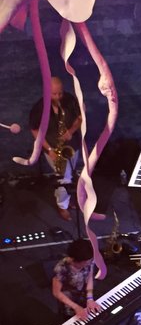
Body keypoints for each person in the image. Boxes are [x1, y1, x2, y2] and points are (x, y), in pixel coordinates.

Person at [29, 76, 82, 221]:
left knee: (69, 177)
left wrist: (71, 131)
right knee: (63, 179)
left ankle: (66, 199)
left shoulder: (69, 100)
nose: (58, 97)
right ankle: (62, 206)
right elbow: (34, 130)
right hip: (53, 149)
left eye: (60, 93)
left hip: (72, 146)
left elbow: (79, 118)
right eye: (54, 94)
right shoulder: (39, 108)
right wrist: (49, 150)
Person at [52, 239, 101, 325]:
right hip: (68, 301)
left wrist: (90, 298)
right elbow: (56, 292)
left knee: (86, 319)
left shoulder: (88, 261)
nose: (90, 263)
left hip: (82, 295)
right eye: (86, 261)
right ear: (76, 260)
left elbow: (89, 277)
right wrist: (75, 307)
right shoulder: (61, 268)